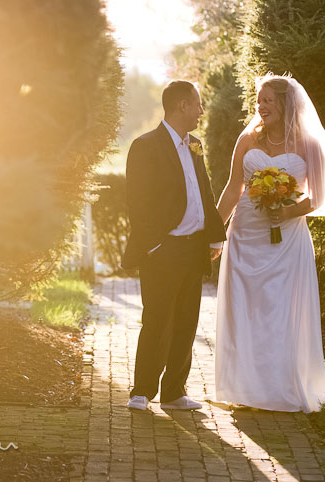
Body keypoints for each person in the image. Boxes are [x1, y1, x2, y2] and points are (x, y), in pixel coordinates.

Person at [213, 74, 325, 413]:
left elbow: (318, 197)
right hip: (245, 236)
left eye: (268, 99)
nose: (261, 106)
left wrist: (287, 213)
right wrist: (213, 232)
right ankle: (244, 389)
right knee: (245, 309)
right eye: (259, 99)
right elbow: (233, 187)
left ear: (285, 104)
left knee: (279, 310)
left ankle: (278, 389)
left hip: (287, 241)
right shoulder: (247, 140)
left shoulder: (308, 143)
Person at [121, 80, 226, 411]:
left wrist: (214, 236)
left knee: (186, 321)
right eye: (197, 104)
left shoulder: (195, 144)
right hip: (163, 250)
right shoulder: (145, 145)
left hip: (194, 248)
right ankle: (142, 391)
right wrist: (154, 246)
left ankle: (174, 392)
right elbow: (137, 202)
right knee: (157, 319)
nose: (201, 110)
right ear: (182, 105)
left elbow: (204, 192)